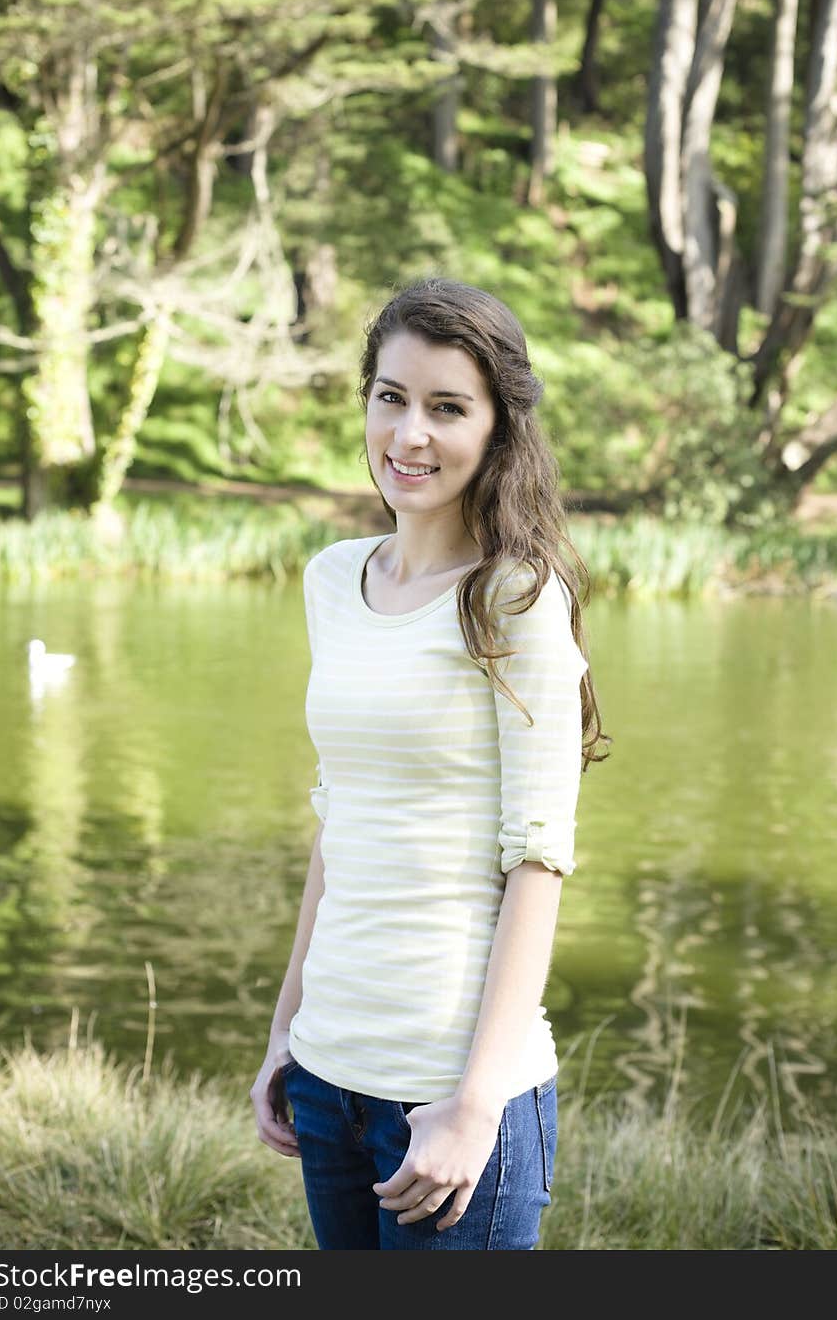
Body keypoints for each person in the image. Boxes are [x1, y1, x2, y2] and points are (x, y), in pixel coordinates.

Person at [250, 276, 609, 1250]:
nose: (409, 433)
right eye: (391, 397)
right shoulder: (334, 579)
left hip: (451, 1098)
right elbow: (341, 823)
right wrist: (287, 1031)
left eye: (447, 408)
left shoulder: (515, 600)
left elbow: (537, 861)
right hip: (327, 1080)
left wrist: (475, 1103)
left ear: (497, 429)